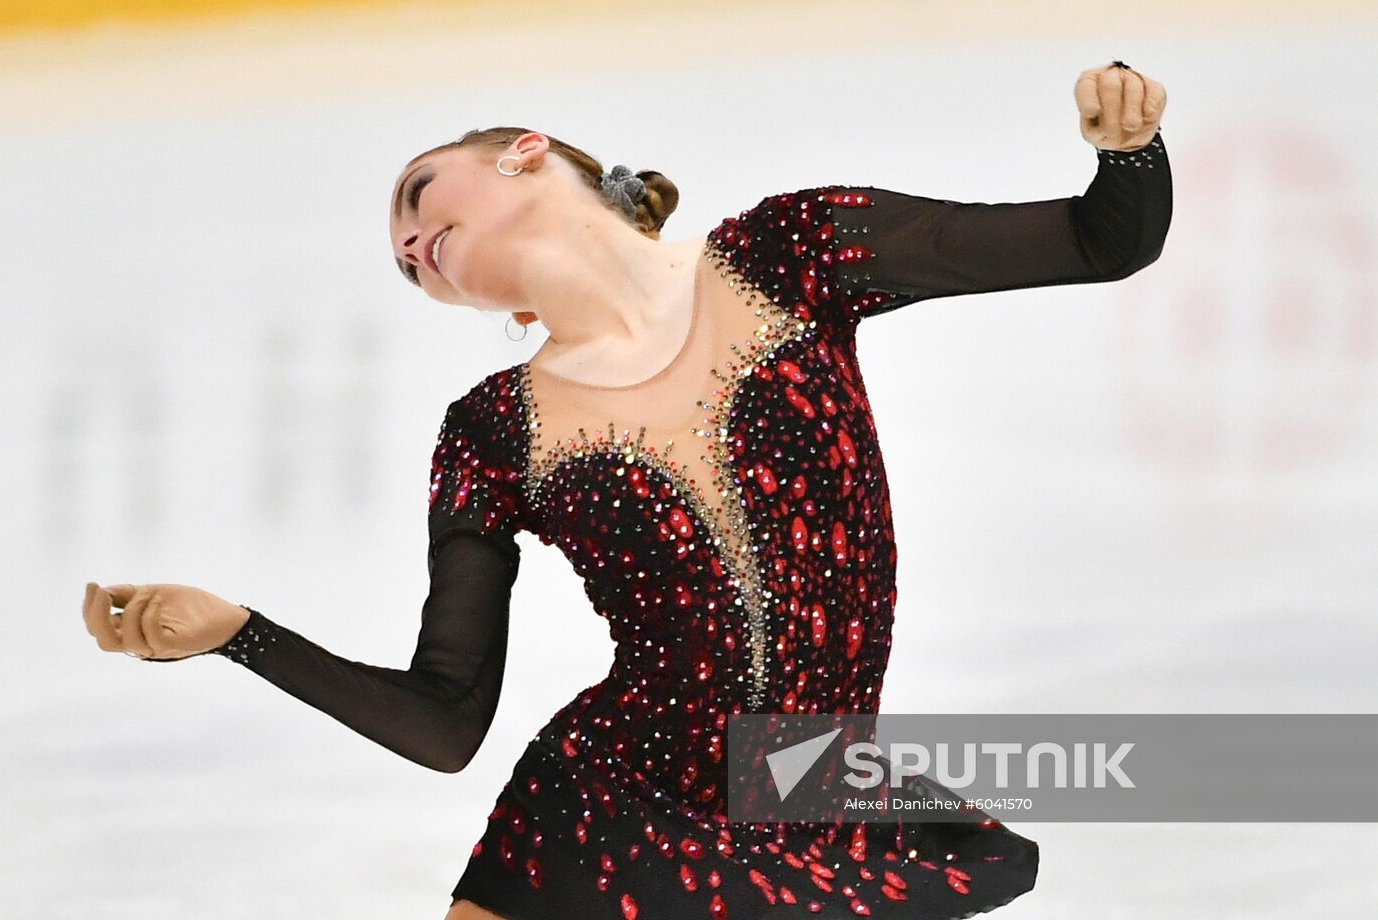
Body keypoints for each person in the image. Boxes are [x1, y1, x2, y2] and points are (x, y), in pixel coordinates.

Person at [83, 61, 1171, 919]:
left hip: (807, 787)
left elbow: (1098, 240)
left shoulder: (791, 254)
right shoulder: (492, 432)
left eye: (418, 200)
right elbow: (444, 718)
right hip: (608, 797)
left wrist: (1128, 152)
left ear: (524, 155)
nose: (413, 243)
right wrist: (240, 634)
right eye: (404, 260)